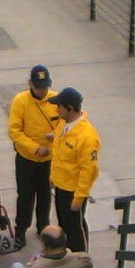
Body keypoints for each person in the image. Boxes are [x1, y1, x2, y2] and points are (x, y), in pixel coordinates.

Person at [8, 64, 60, 251]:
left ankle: (43, 227)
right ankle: (21, 230)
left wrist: (55, 139)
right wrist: (35, 148)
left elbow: (63, 126)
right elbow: (15, 131)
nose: (42, 90)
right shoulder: (20, 101)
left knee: (45, 195)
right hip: (27, 159)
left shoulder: (56, 99)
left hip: (49, 160)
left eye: (45, 86)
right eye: (38, 86)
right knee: (25, 196)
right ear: (30, 83)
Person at [48, 87, 100, 253]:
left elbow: (89, 170)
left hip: (72, 192)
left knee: (75, 229)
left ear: (69, 108)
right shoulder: (65, 124)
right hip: (61, 186)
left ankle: (81, 259)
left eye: (59, 107)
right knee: (64, 225)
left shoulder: (87, 136)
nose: (57, 110)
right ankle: (67, 255)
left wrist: (79, 198)